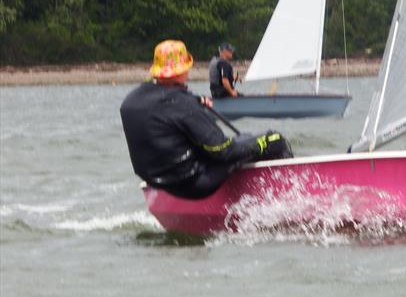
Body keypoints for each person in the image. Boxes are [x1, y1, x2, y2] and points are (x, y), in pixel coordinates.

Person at [120, 40, 292, 199]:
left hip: (160, 183)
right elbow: (223, 151)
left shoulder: (131, 101)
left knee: (243, 140)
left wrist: (195, 100)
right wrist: (254, 146)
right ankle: (288, 197)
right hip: (195, 184)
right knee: (274, 139)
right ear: (184, 69)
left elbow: (164, 108)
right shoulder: (183, 104)